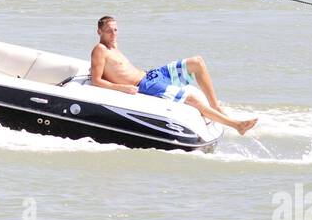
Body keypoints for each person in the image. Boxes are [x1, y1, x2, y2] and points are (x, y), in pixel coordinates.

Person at [89, 15, 257, 135]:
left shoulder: (113, 45)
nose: (114, 34)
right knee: (192, 100)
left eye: (116, 30)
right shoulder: (100, 50)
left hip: (152, 74)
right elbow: (96, 80)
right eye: (109, 31)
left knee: (197, 62)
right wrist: (122, 88)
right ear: (99, 32)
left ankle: (215, 106)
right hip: (145, 85)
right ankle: (237, 125)